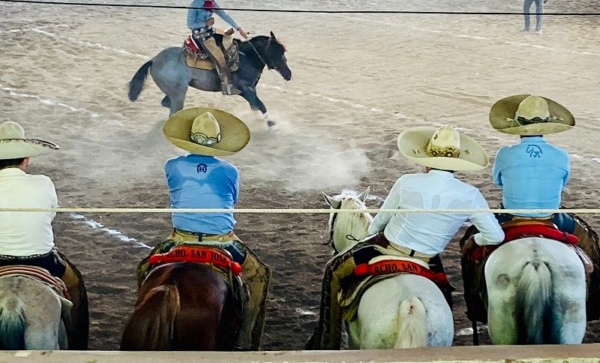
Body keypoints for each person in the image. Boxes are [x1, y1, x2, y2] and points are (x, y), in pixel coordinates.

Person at [306, 125, 504, 350]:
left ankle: (327, 343)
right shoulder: (471, 194)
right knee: (444, 292)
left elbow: (380, 222)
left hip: (387, 248)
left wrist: (370, 234)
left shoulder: (407, 181)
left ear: (427, 159)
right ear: (458, 163)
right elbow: (495, 236)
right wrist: (474, 241)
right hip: (428, 259)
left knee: (334, 270)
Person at [137, 107, 271, 351]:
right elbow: (231, 199)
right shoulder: (230, 171)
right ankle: (245, 343)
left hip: (180, 239)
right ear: (218, 144)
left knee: (145, 268)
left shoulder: (172, 166)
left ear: (189, 138)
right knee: (259, 276)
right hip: (222, 241)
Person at [489, 94, 600, 319]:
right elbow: (564, 181)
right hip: (552, 218)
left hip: (510, 217)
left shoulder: (505, 153)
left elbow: (497, 181)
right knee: (590, 243)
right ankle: (595, 304)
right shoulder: (561, 155)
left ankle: (477, 304)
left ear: (518, 125)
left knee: (472, 247)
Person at [0, 121, 89, 349]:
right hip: (43, 261)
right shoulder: (43, 183)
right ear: (26, 159)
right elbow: (50, 216)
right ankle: (76, 340)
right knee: (74, 284)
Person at [188, 0, 248, 95]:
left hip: (211, 31)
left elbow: (224, 15)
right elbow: (190, 24)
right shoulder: (194, 4)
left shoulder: (212, 3)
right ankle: (226, 85)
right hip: (201, 35)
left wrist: (238, 28)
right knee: (219, 56)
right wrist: (205, 22)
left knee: (230, 43)